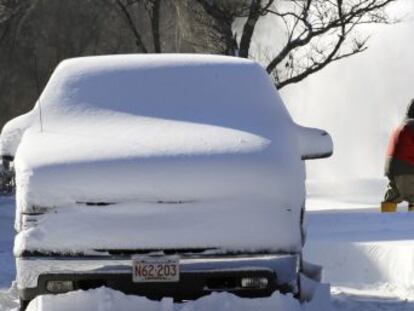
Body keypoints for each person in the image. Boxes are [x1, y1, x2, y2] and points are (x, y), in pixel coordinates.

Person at [382, 99, 414, 212]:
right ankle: (410, 226)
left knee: (392, 197)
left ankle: (385, 222)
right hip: (408, 172)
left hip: (393, 172)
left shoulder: (401, 126)